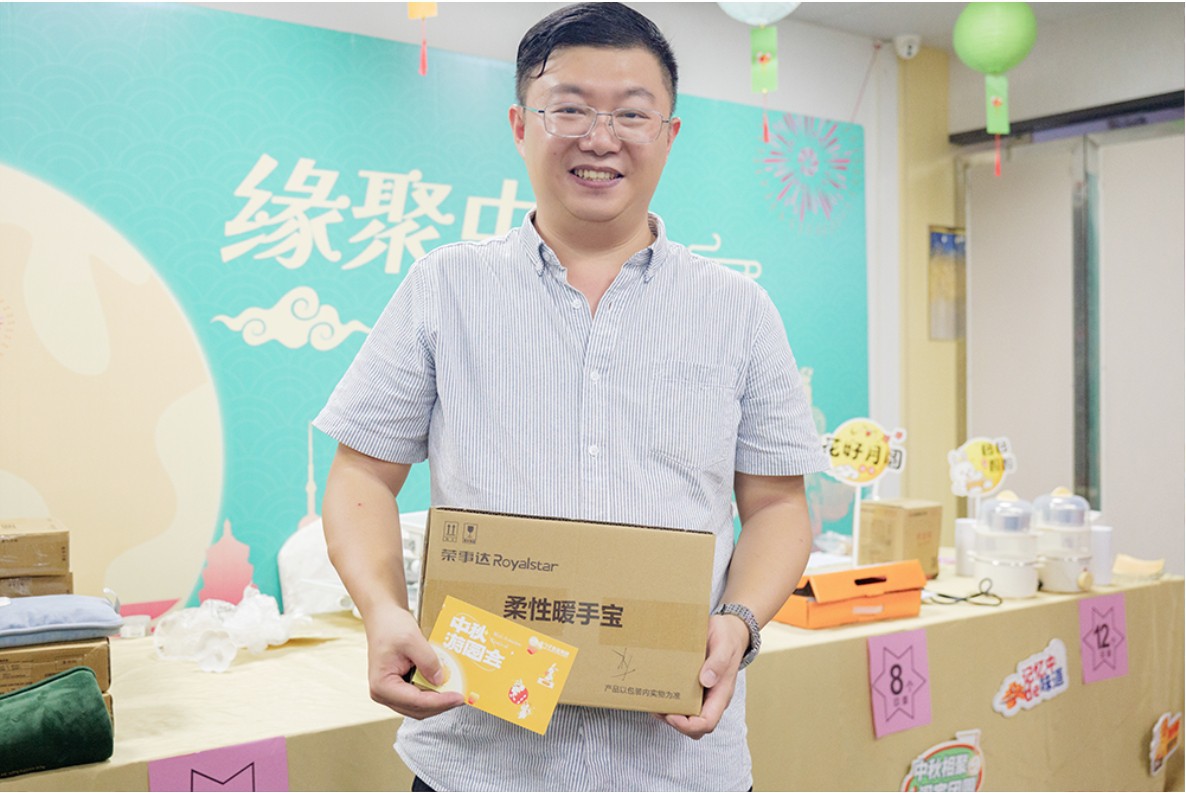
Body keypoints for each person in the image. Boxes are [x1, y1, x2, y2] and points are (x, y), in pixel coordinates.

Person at [314, 3, 827, 790]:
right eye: (571, 109)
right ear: (521, 125)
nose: (600, 137)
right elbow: (361, 474)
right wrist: (382, 608)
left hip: (676, 766)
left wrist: (740, 619)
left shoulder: (738, 310)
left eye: (632, 113)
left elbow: (778, 505)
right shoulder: (446, 286)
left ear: (669, 134)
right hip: (477, 760)